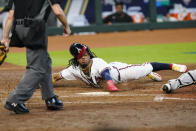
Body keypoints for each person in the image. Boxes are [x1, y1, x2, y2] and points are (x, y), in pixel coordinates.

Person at [1, 0, 71, 114]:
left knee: (45, 60)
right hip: (35, 28)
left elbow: (10, 16)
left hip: (19, 28)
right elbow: (57, 11)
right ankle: (15, 99)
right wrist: (66, 26)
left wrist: (5, 38)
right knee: (37, 68)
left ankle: (50, 97)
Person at [52, 43, 188, 92]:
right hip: (113, 67)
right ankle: (149, 74)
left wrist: (111, 85)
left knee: (144, 68)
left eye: (86, 54)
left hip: (118, 73)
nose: (85, 57)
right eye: (81, 56)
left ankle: (172, 66)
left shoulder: (97, 62)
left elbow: (105, 74)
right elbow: (57, 76)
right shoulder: (74, 69)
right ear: (76, 58)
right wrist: (41, 83)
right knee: (142, 70)